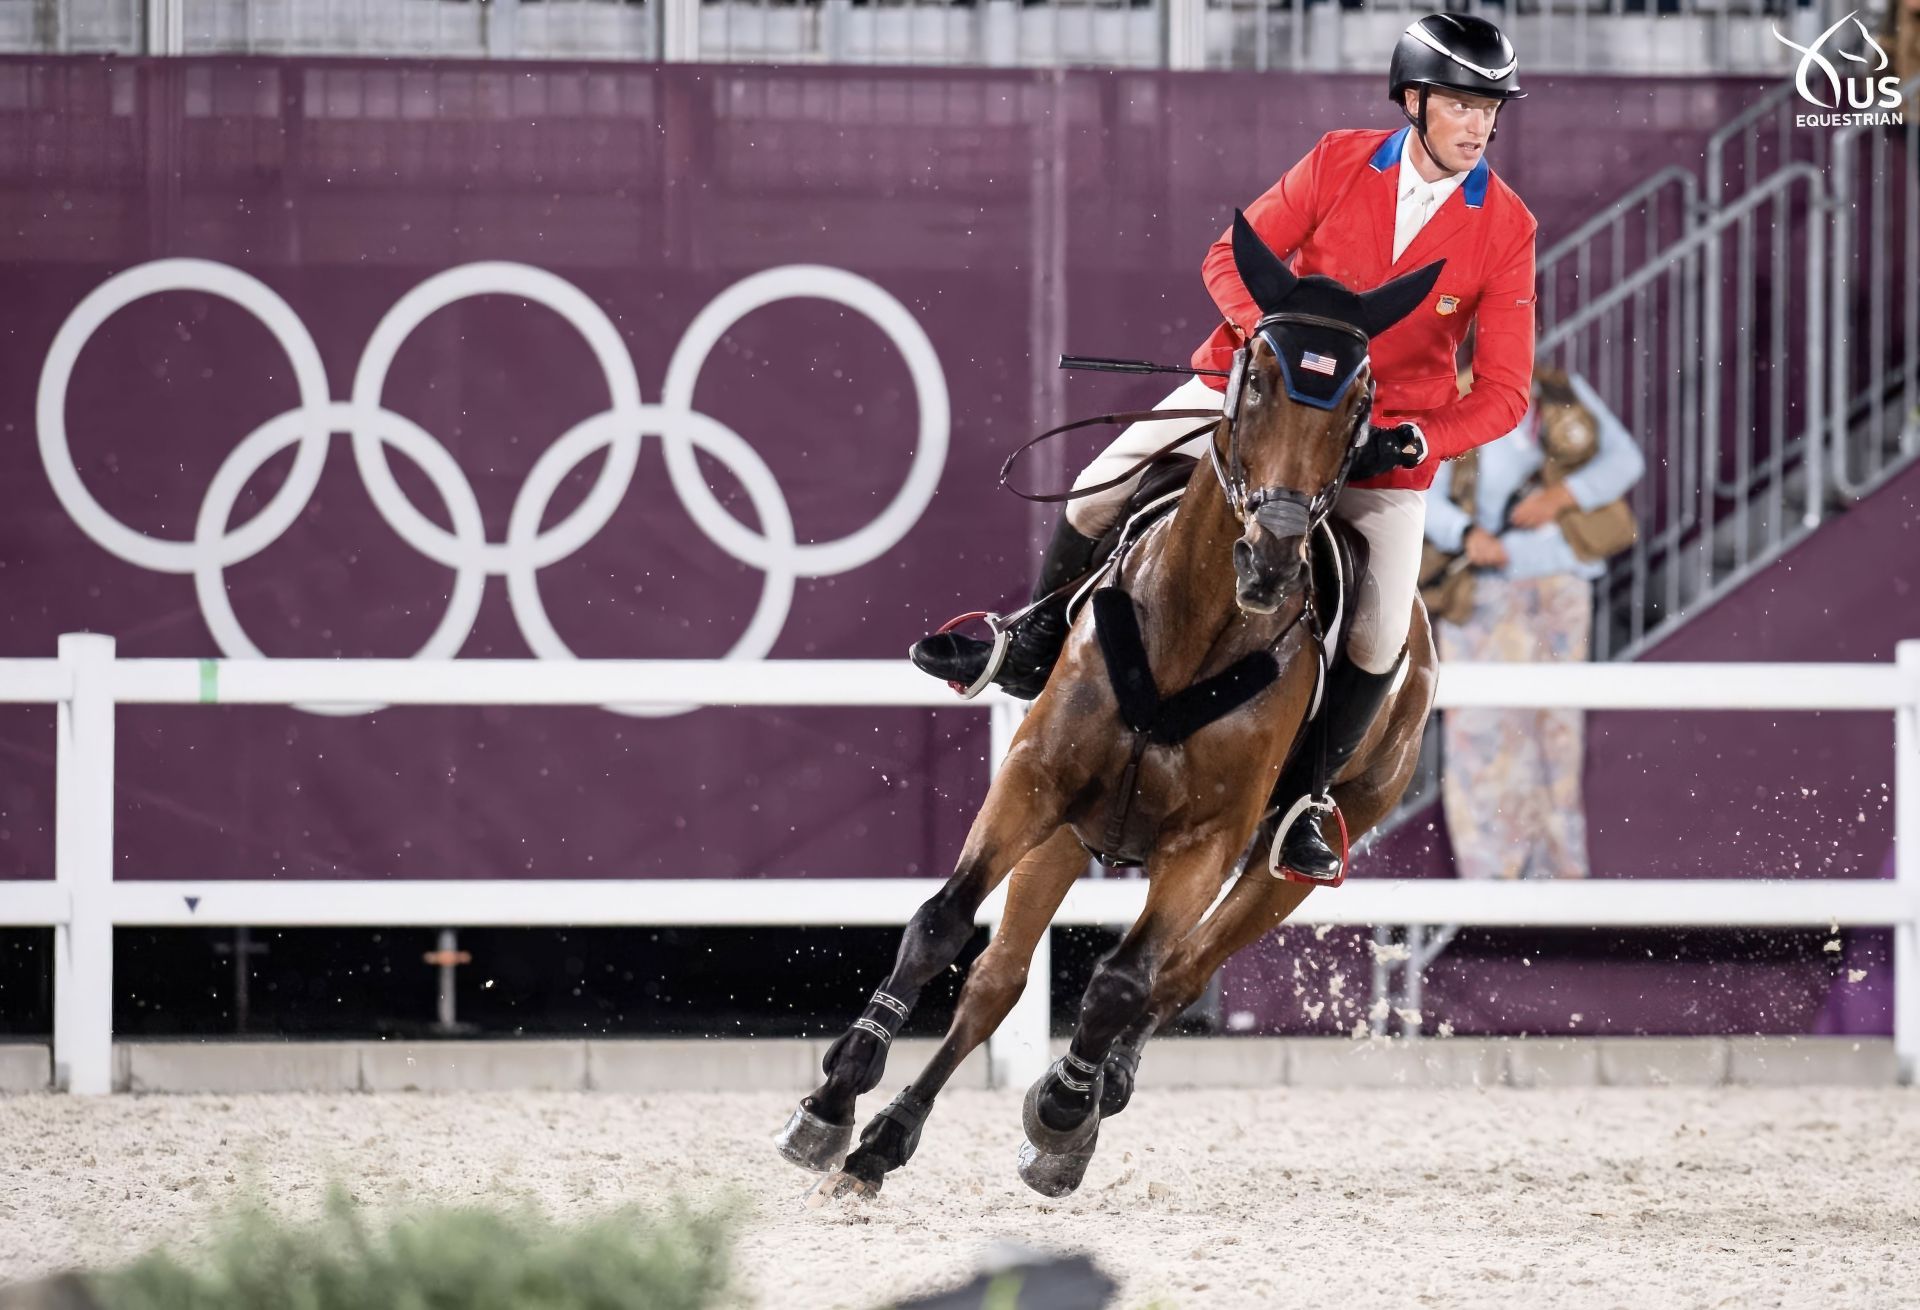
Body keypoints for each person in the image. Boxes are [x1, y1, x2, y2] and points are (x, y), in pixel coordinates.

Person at [910, 12, 1540, 881]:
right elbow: (1226, 260)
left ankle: (1303, 801)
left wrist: (1420, 435)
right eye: (1463, 105)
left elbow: (1505, 390)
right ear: (1415, 100)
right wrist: (1268, 348)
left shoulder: (1505, 225)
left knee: (1381, 632)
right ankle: (1028, 641)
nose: (1478, 126)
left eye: (1490, 109)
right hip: (1253, 398)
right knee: (1100, 486)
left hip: (1378, 444)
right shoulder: (1337, 160)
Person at [1423, 365, 1644, 880]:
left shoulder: (1561, 389)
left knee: (1555, 728)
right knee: (1482, 731)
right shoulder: (1446, 397)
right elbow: (1419, 484)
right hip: (1483, 587)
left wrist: (1563, 497)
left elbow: (1625, 459)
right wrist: (1465, 533)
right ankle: (1491, 876)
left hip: (1561, 582)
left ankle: (1556, 874)